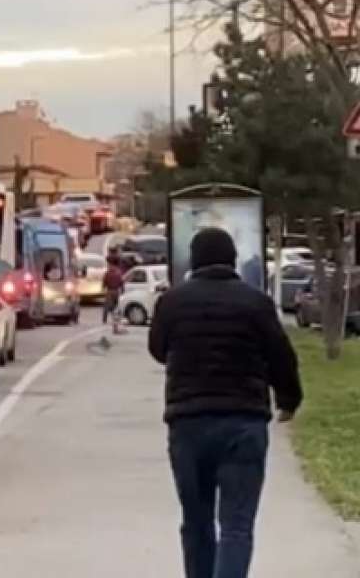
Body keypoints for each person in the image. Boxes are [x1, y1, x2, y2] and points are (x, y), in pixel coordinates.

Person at [148, 228, 302, 578]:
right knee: (236, 525)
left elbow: (157, 348)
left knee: (196, 521)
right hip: (243, 423)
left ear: (194, 261)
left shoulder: (172, 302)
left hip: (188, 424)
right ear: (233, 260)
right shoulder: (255, 302)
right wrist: (289, 398)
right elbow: (281, 356)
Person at [102, 251, 125, 330]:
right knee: (115, 306)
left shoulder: (107, 273)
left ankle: (105, 319)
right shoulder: (118, 273)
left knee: (107, 306)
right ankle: (115, 319)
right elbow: (121, 282)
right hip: (116, 291)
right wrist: (122, 290)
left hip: (110, 291)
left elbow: (104, 282)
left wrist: (103, 288)